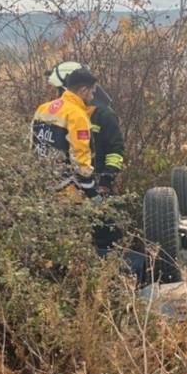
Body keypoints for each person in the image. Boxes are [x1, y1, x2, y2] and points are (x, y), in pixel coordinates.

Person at [47, 62, 126, 255]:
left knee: (105, 231)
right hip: (72, 185)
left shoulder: (104, 115)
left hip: (96, 182)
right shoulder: (67, 111)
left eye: (60, 89)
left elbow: (116, 150)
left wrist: (107, 179)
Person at [31, 67, 99, 195]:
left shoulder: (42, 108)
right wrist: (90, 190)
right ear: (84, 90)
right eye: (92, 92)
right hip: (66, 190)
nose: (92, 97)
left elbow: (33, 144)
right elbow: (80, 156)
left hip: (40, 184)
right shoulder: (77, 115)